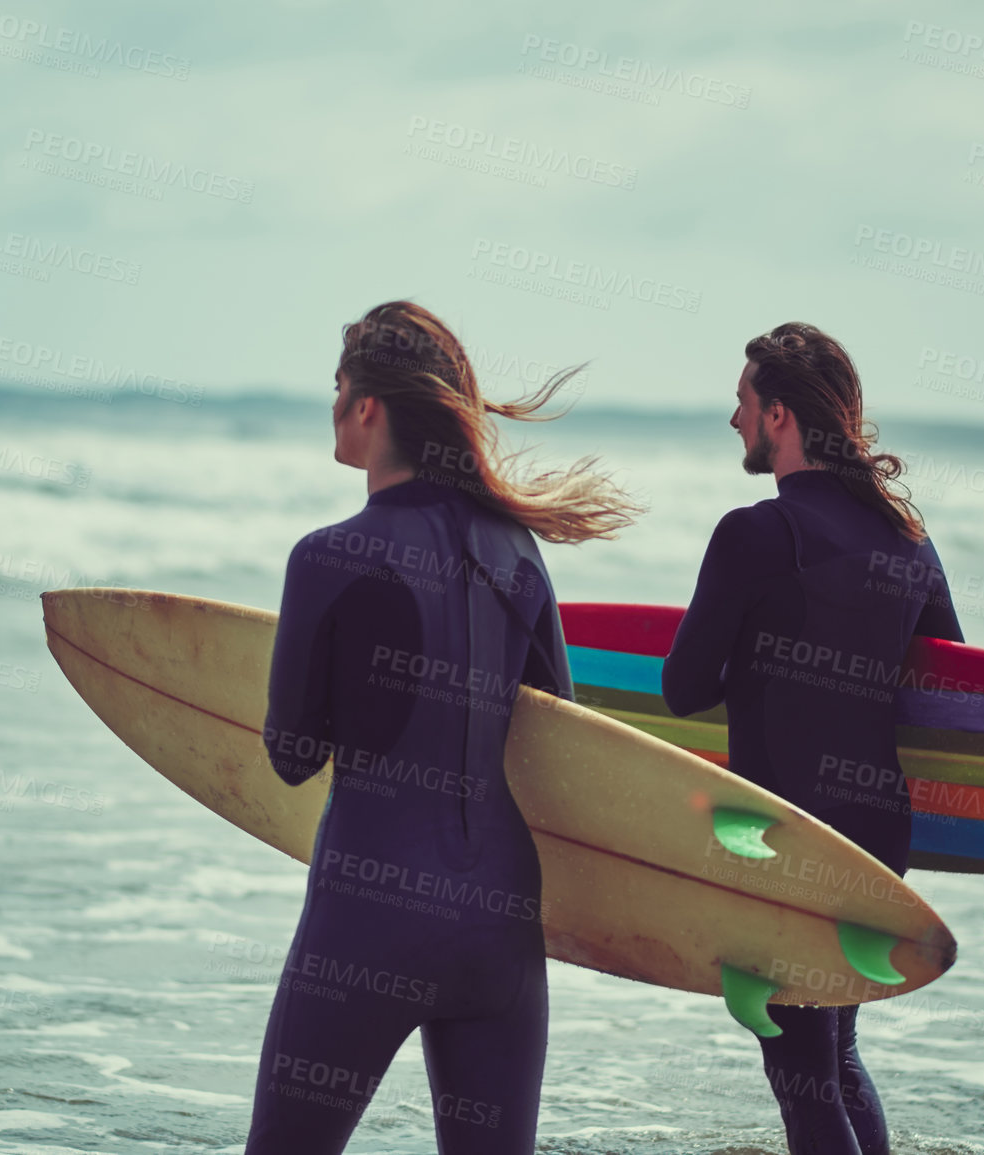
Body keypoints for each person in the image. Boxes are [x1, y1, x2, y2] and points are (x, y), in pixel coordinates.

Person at [247, 300, 641, 1154]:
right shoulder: (518, 553)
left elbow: (289, 755)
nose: (334, 403)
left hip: (369, 916)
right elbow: (556, 731)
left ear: (368, 408)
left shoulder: (325, 557)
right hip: (500, 928)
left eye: (339, 384)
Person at [660, 323, 963, 1155]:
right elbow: (945, 682)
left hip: (784, 841)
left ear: (780, 415)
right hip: (876, 838)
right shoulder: (909, 541)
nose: (734, 420)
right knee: (832, 1054)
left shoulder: (755, 534)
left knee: (802, 1083)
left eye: (742, 402)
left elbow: (682, 690)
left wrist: (759, 664)